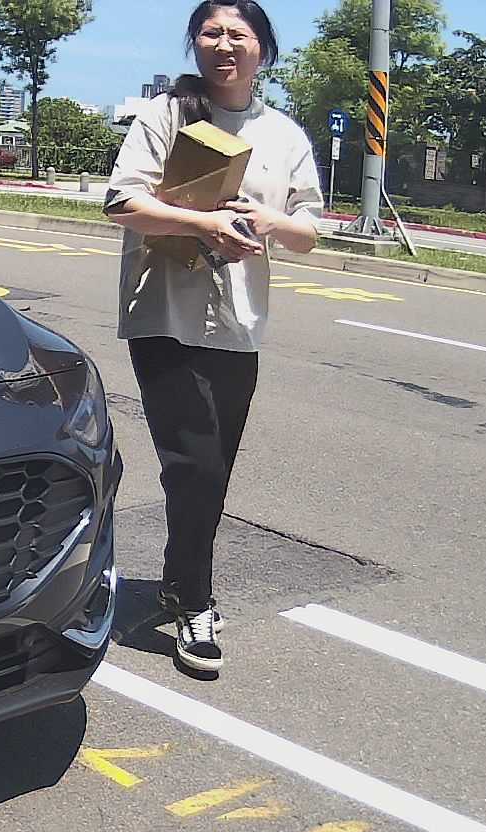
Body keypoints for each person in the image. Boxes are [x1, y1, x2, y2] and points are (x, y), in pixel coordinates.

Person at [102, 0, 323, 676]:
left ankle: (179, 579)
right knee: (193, 463)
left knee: (212, 470)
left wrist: (267, 221)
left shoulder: (283, 134)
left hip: (239, 324)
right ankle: (196, 604)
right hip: (164, 314)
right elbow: (121, 202)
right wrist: (202, 224)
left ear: (263, 49)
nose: (224, 45)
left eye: (238, 34)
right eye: (211, 33)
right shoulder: (166, 115)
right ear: (195, 44)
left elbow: (309, 231)